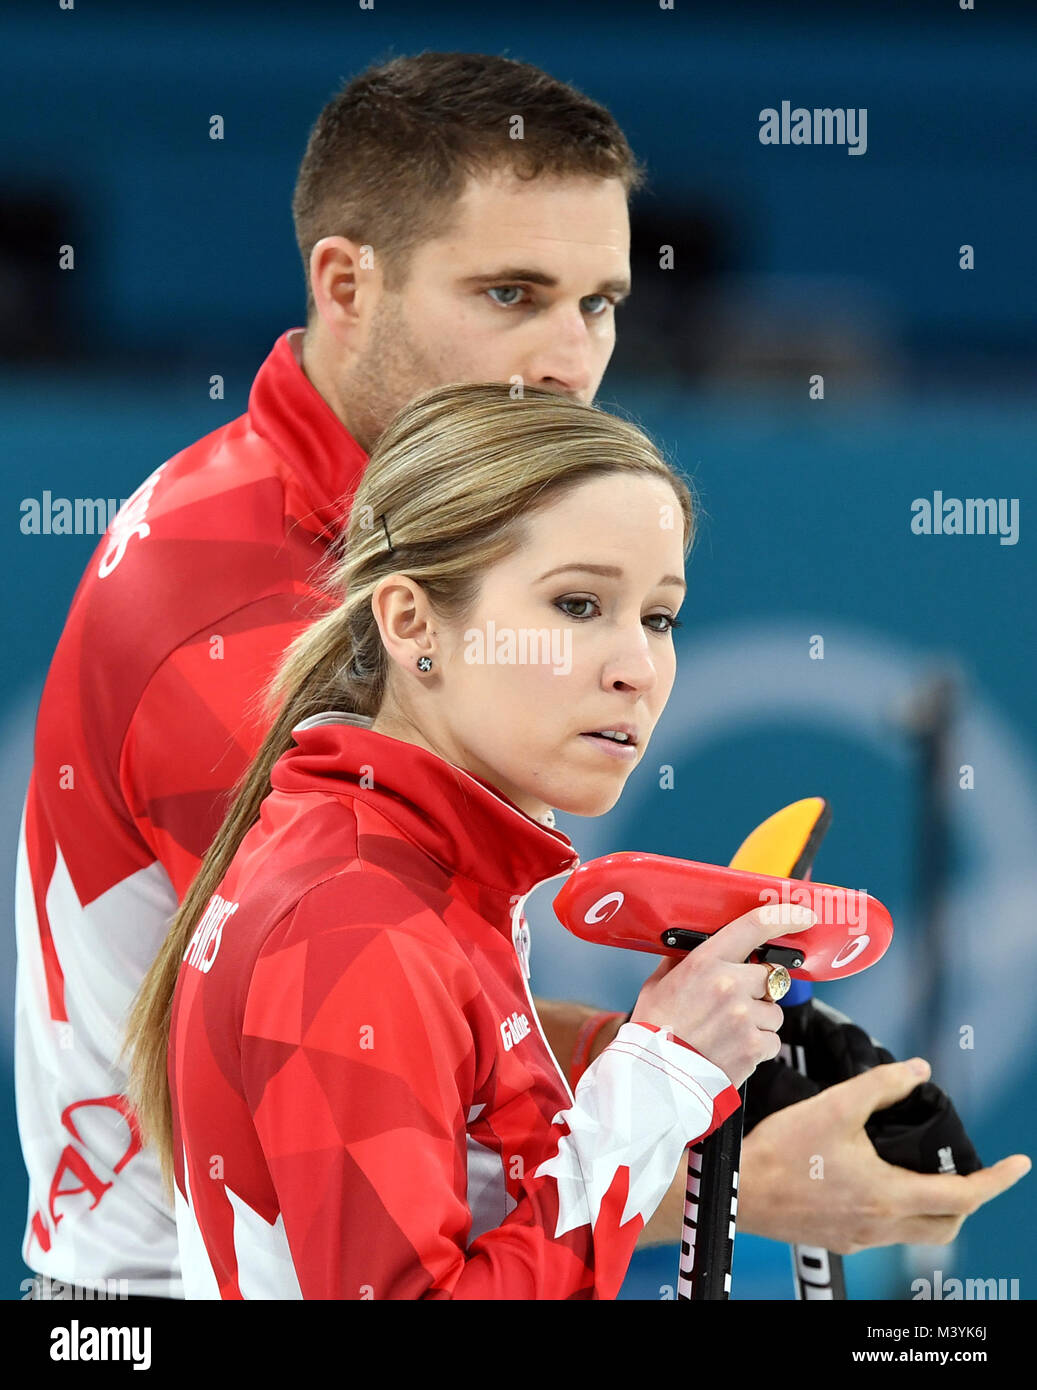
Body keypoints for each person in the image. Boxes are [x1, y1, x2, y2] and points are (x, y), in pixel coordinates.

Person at [16, 51, 1028, 1300]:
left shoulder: (413, 549)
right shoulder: (234, 614)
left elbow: (430, 1009)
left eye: (599, 303)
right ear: (345, 283)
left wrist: (704, 1057)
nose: (566, 360)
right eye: (511, 293)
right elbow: (362, 1048)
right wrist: (726, 1151)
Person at [126, 380, 819, 1299]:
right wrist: (661, 1076)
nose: (637, 669)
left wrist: (673, 1050)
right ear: (414, 624)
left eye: (658, 617)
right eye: (576, 605)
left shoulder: (411, 867)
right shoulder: (353, 918)